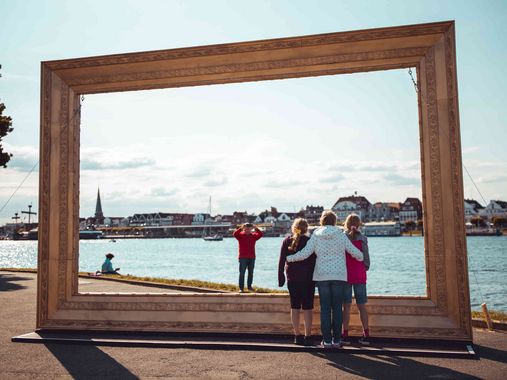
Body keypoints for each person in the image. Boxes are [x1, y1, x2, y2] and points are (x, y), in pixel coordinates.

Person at [286, 210, 363, 348]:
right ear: (334, 221)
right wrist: (360, 257)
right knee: (337, 308)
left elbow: (304, 254)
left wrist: (289, 258)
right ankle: (337, 340)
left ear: (322, 220)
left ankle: (327, 341)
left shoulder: (316, 235)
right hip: (339, 276)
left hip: (322, 276)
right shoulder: (340, 235)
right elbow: (356, 253)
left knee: (325, 309)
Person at [278, 218, 316, 346]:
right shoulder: (309, 241)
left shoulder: (287, 241)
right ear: (306, 228)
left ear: (293, 227)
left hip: (292, 279)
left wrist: (281, 277)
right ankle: (308, 336)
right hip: (308, 279)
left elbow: (281, 260)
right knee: (307, 308)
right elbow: (314, 261)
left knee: (294, 307)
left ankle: (297, 335)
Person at [342, 214, 371, 346]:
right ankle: (366, 335)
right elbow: (367, 262)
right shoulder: (363, 238)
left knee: (346, 307)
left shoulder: (342, 238)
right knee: (362, 306)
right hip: (360, 275)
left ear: (346, 224)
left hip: (346, 275)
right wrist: (362, 269)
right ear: (359, 225)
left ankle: (345, 335)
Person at [233, 223, 263, 292]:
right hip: (242, 257)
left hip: (252, 257)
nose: (247, 230)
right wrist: (240, 228)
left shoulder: (254, 236)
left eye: (249, 228)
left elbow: (261, 234)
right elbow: (234, 234)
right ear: (244, 228)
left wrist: (256, 228)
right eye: (246, 228)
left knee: (251, 273)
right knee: (242, 273)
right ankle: (241, 288)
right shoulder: (240, 235)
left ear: (251, 229)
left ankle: (249, 287)